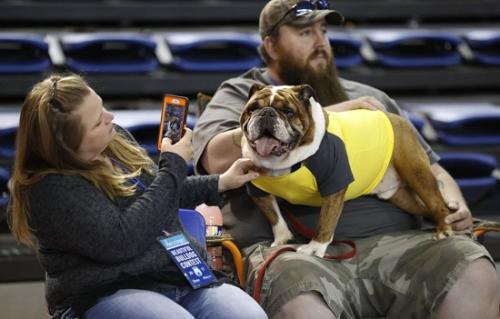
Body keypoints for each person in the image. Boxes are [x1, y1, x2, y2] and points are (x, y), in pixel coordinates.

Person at [192, 0, 499, 318]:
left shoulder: (370, 98)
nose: (320, 41)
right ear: (270, 45)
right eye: (305, 32)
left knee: (473, 269)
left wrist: (453, 205)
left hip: (400, 242)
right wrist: (303, 119)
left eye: (323, 31)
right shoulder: (243, 94)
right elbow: (214, 160)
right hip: (297, 253)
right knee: (299, 297)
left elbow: (434, 171)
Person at [8, 74, 268, 319]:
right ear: (67, 145)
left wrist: (221, 182)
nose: (110, 117)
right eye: (98, 121)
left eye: (103, 108)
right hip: (107, 290)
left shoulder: (114, 139)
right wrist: (174, 163)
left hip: (173, 274)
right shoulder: (51, 188)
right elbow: (124, 240)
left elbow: (156, 196)